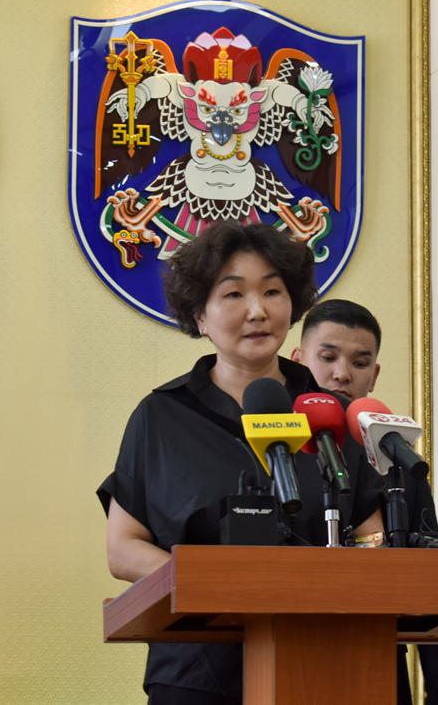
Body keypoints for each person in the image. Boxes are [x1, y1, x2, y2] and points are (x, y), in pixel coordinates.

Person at [97, 222, 385, 705]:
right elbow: (123, 549)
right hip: (197, 668)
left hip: (321, 660)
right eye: (233, 294)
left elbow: (371, 536)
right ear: (200, 316)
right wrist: (217, 589)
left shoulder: (327, 411)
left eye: (272, 291)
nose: (258, 310)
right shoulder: (161, 415)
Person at [291, 299, 438, 705]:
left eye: (360, 362)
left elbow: (432, 584)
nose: (342, 373)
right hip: (289, 655)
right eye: (327, 357)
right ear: (297, 361)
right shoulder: (277, 447)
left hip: (376, 660)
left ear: (375, 374)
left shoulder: (395, 454)